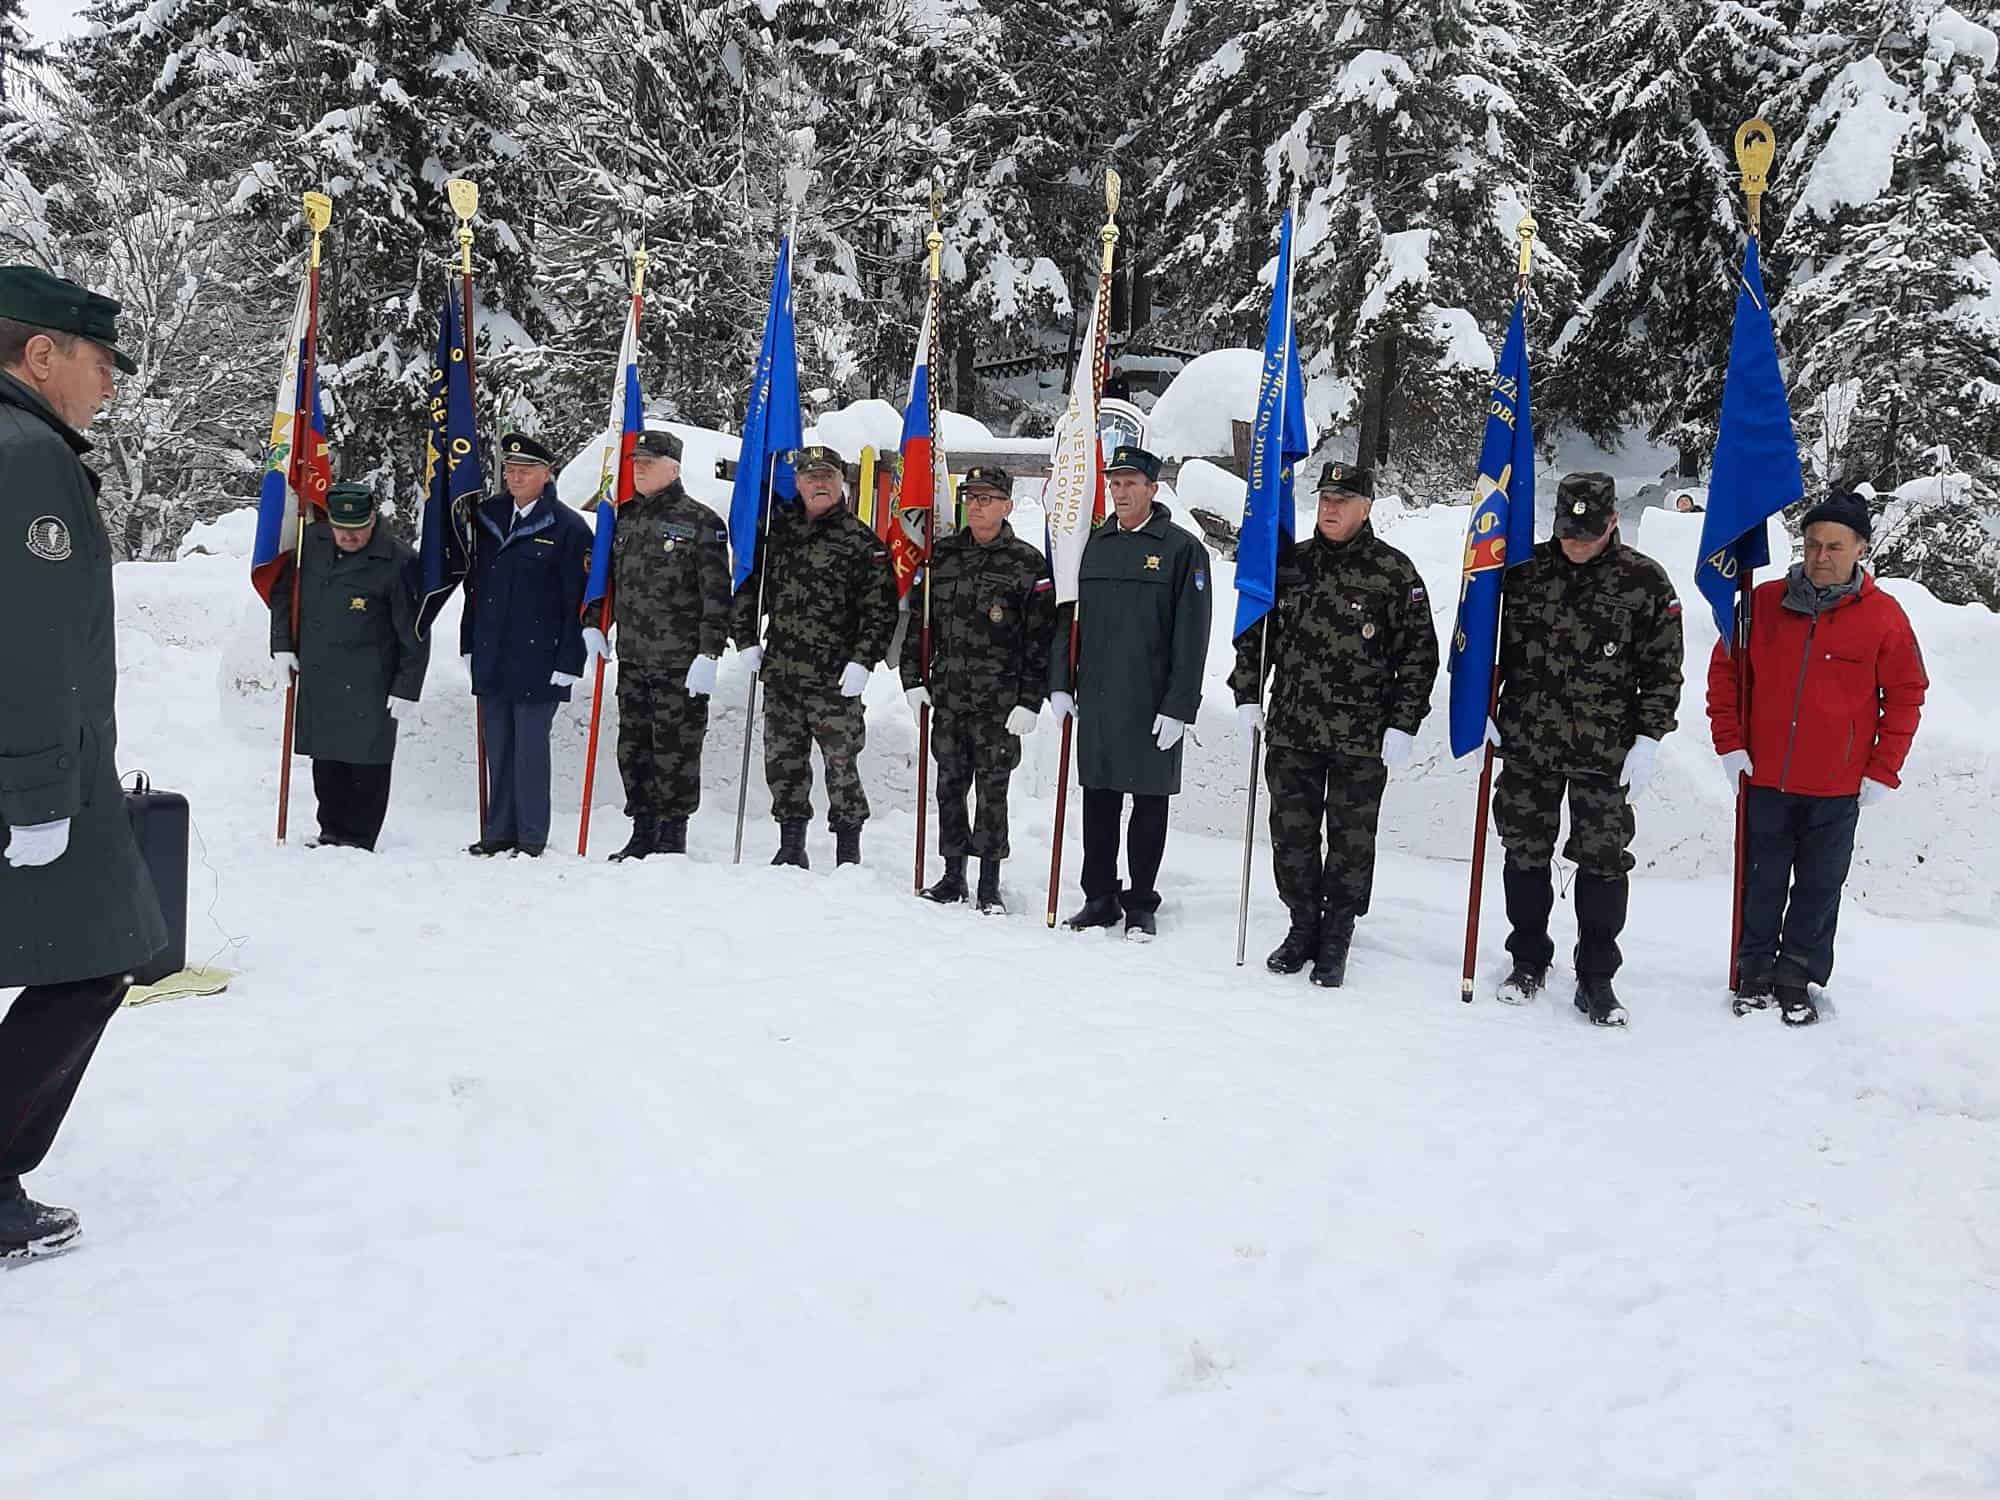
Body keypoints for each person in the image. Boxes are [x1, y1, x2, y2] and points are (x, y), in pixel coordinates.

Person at [0, 264, 167, 1259]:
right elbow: (31, 643)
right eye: (101, 362)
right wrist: (36, 793)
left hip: (36, 760)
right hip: (33, 770)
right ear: (42, 353)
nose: (108, 384)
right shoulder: (27, 455)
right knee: (99, 957)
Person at [1705, 490, 1927, 1026]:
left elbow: (1906, 694)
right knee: (1762, 878)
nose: (1821, 555)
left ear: (1860, 550)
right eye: (1812, 544)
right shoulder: (1762, 603)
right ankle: (1754, 971)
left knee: (1818, 886)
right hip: (1767, 775)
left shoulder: (1883, 617)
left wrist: (1882, 768)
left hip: (1837, 784)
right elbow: (1726, 674)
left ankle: (1795, 976)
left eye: (1835, 545)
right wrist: (1730, 741)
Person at [1230, 461, 1438, 986]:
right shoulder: (1291, 564)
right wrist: (1247, 692)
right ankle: (1302, 926)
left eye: (1342, 500)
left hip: (1361, 737)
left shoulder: (1394, 573)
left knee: (1351, 840)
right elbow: (1256, 633)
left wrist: (1403, 723)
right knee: (1292, 834)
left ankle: (1337, 932)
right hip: (1293, 727)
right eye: (1324, 498)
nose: (1329, 508)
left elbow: (1419, 654)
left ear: (1366, 507)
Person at [1487, 471, 1683, 1026]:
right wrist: (1478, 702)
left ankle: (1596, 978)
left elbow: (1663, 672)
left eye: (1587, 534)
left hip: (1606, 751)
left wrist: (1649, 737)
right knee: (1524, 851)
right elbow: (1483, 644)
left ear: (1613, 523)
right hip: (1529, 741)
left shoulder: (1645, 583)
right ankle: (1528, 960)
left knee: (1602, 862)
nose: (1575, 544)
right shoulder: (1521, 574)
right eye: (1568, 533)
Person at [1050, 444, 1211, 941]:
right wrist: (1059, 682)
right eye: (1114, 483)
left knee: (1148, 805)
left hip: (1151, 704)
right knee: (1097, 804)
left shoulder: (1183, 550)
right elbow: (1065, 618)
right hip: (1097, 699)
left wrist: (1180, 706)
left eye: (1130, 484)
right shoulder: (1090, 545)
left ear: (1152, 489)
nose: (1120, 492)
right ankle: (1099, 896)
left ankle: (1141, 902)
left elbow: (1193, 634)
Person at [732, 443, 898, 868]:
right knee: (783, 765)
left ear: (841, 481)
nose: (818, 483)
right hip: (783, 670)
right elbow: (750, 587)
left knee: (841, 765)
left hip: (835, 678)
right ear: (798, 482)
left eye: (827, 475)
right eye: (810, 476)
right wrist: (746, 638)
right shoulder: (776, 534)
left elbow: (879, 612)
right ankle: (791, 845)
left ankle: (848, 848)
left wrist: (863, 661)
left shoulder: (862, 542)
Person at [900, 465, 1056, 912]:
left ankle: (989, 882)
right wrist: (912, 681)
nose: (976, 505)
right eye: (970, 497)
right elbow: (918, 624)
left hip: (999, 703)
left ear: (1007, 505)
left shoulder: (1028, 565)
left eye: (987, 498)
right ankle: (952, 875)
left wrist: (1030, 699)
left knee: (993, 792)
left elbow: (1039, 640)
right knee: (949, 787)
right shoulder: (942, 557)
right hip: (948, 696)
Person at [268, 480, 429, 851]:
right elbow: (283, 596)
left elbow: (415, 631)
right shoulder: (311, 546)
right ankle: (331, 829)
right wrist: (281, 646)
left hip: (371, 678)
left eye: (357, 529)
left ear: (373, 519)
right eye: (342, 529)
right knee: (326, 755)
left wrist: (407, 686)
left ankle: (359, 836)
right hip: (321, 672)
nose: (349, 536)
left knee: (365, 759)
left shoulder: (398, 561)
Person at [598, 430, 731, 861]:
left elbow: (716, 594)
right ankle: (642, 830)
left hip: (680, 661)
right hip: (634, 656)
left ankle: (673, 834)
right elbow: (610, 582)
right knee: (633, 747)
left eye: (648, 462)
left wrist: (710, 652)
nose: (638, 467)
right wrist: (593, 623)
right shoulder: (625, 517)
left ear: (673, 468)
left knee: (675, 749)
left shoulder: (701, 522)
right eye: (636, 461)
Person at [461, 432, 591, 858]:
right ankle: (498, 832)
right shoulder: (488, 516)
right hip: (493, 651)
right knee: (497, 745)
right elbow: (475, 587)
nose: (515, 477)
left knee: (530, 749)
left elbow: (579, 599)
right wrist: (468, 641)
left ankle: (531, 836)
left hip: (541, 655)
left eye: (525, 470)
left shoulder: (567, 526)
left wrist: (571, 658)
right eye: (509, 470)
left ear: (546, 473)